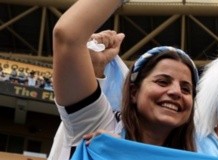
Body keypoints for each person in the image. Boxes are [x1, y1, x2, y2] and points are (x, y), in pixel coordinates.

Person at [53, 0, 198, 151]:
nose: (176, 92)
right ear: (134, 92)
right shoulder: (99, 128)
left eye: (186, 89)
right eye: (162, 82)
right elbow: (68, 36)